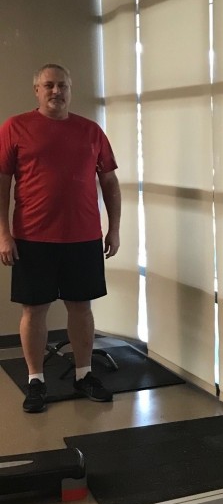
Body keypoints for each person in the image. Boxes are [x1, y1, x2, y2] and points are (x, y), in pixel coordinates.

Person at [0, 63, 122, 413]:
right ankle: (36, 380)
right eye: (49, 85)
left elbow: (110, 182)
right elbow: (2, 184)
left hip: (82, 237)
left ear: (71, 89)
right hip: (32, 237)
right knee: (34, 309)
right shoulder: (15, 127)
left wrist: (113, 228)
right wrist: (4, 234)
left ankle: (84, 374)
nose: (57, 91)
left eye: (63, 86)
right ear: (36, 90)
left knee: (81, 308)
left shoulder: (90, 130)